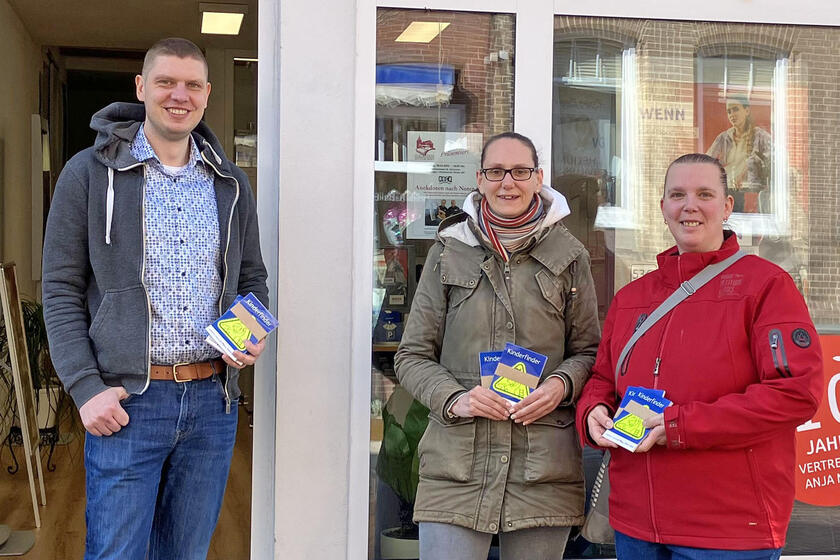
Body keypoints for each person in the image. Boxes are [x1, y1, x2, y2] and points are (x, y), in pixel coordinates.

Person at [41, 38, 268, 560]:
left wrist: (249, 338)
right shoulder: (88, 174)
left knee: (184, 553)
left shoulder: (229, 182)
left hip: (213, 401)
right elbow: (59, 288)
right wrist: (83, 387)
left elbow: (252, 277)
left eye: (192, 85)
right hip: (127, 403)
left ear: (207, 95)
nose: (179, 95)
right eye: (166, 82)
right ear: (142, 88)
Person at [576, 153, 823, 558]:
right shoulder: (631, 298)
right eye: (677, 194)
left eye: (704, 194)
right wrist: (592, 412)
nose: (689, 205)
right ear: (663, 207)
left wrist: (678, 425)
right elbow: (603, 378)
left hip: (725, 529)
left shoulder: (767, 287)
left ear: (727, 207)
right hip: (636, 521)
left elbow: (795, 394)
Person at [395, 132, 601, 559]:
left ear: (538, 177)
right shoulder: (448, 250)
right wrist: (456, 398)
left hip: (541, 467)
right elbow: (411, 356)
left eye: (520, 171)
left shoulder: (571, 255)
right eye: (496, 172)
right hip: (457, 463)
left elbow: (590, 353)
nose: (508, 183)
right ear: (479, 178)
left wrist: (560, 385)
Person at [706, 95, 772, 213]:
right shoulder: (723, 138)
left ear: (747, 111)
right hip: (729, 194)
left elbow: (775, 162)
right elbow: (705, 162)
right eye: (729, 111)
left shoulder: (760, 136)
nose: (732, 114)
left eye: (735, 109)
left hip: (753, 196)